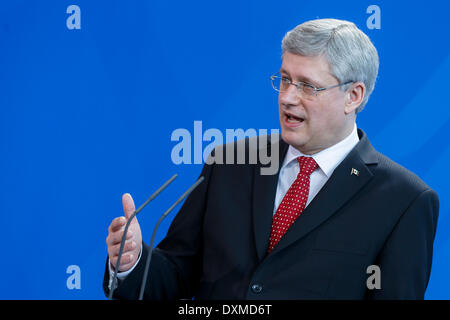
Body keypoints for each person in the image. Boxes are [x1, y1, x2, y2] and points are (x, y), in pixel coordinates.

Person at [103, 18, 439, 299]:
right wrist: (132, 261)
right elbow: (176, 273)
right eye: (285, 80)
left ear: (353, 95)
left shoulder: (403, 200)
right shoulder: (230, 162)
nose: (288, 98)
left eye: (308, 86)